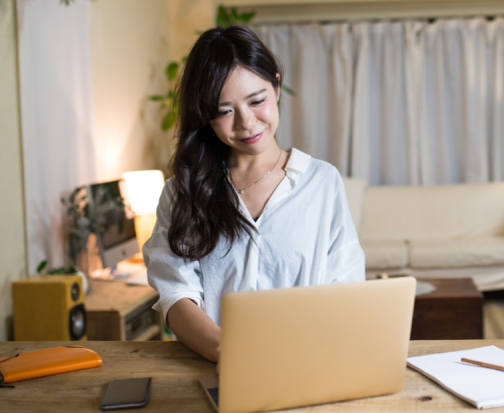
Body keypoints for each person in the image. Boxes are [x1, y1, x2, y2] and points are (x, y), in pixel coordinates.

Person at [142, 25, 365, 365]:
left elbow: (346, 287)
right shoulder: (181, 193)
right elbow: (177, 295)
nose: (246, 123)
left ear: (276, 86)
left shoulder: (322, 182)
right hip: (217, 369)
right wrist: (229, 354)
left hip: (308, 365)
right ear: (205, 115)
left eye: (257, 100)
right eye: (224, 110)